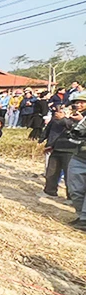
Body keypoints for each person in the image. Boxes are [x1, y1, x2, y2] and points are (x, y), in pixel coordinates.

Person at [40, 107, 75, 197]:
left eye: (61, 112)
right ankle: (49, 191)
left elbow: (71, 126)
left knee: (69, 174)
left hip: (69, 150)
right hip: (55, 148)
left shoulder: (75, 119)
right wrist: (46, 142)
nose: (57, 113)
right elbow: (48, 130)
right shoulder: (54, 120)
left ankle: (71, 196)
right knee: (51, 171)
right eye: (57, 111)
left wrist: (63, 118)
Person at [66, 93, 86, 231]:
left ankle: (84, 219)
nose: (79, 104)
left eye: (82, 102)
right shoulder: (76, 116)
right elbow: (72, 134)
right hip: (79, 156)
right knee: (74, 188)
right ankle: (81, 215)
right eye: (76, 102)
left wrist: (82, 121)